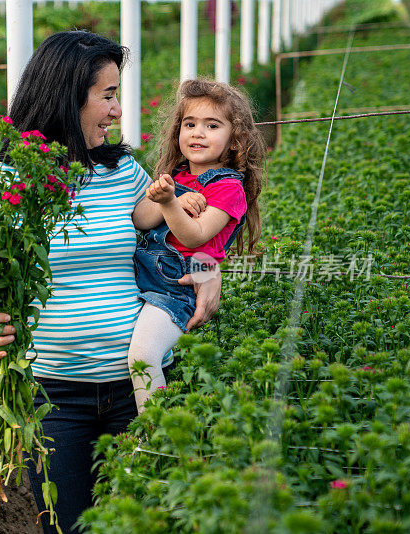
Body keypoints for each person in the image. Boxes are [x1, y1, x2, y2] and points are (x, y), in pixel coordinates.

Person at [0, 31, 222, 534]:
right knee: (67, 527)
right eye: (108, 95)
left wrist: (208, 270)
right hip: (53, 400)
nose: (117, 110)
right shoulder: (6, 180)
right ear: (68, 97)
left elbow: (173, 237)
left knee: (146, 521)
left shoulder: (124, 172)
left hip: (137, 389)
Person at [128, 79, 265, 411]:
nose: (197, 133)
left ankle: (155, 437)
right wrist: (165, 198)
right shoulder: (176, 175)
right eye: (189, 124)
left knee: (142, 358)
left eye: (212, 125)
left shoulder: (230, 188)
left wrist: (171, 203)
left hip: (177, 286)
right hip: (144, 275)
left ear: (236, 140)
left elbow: (194, 236)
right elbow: (141, 219)